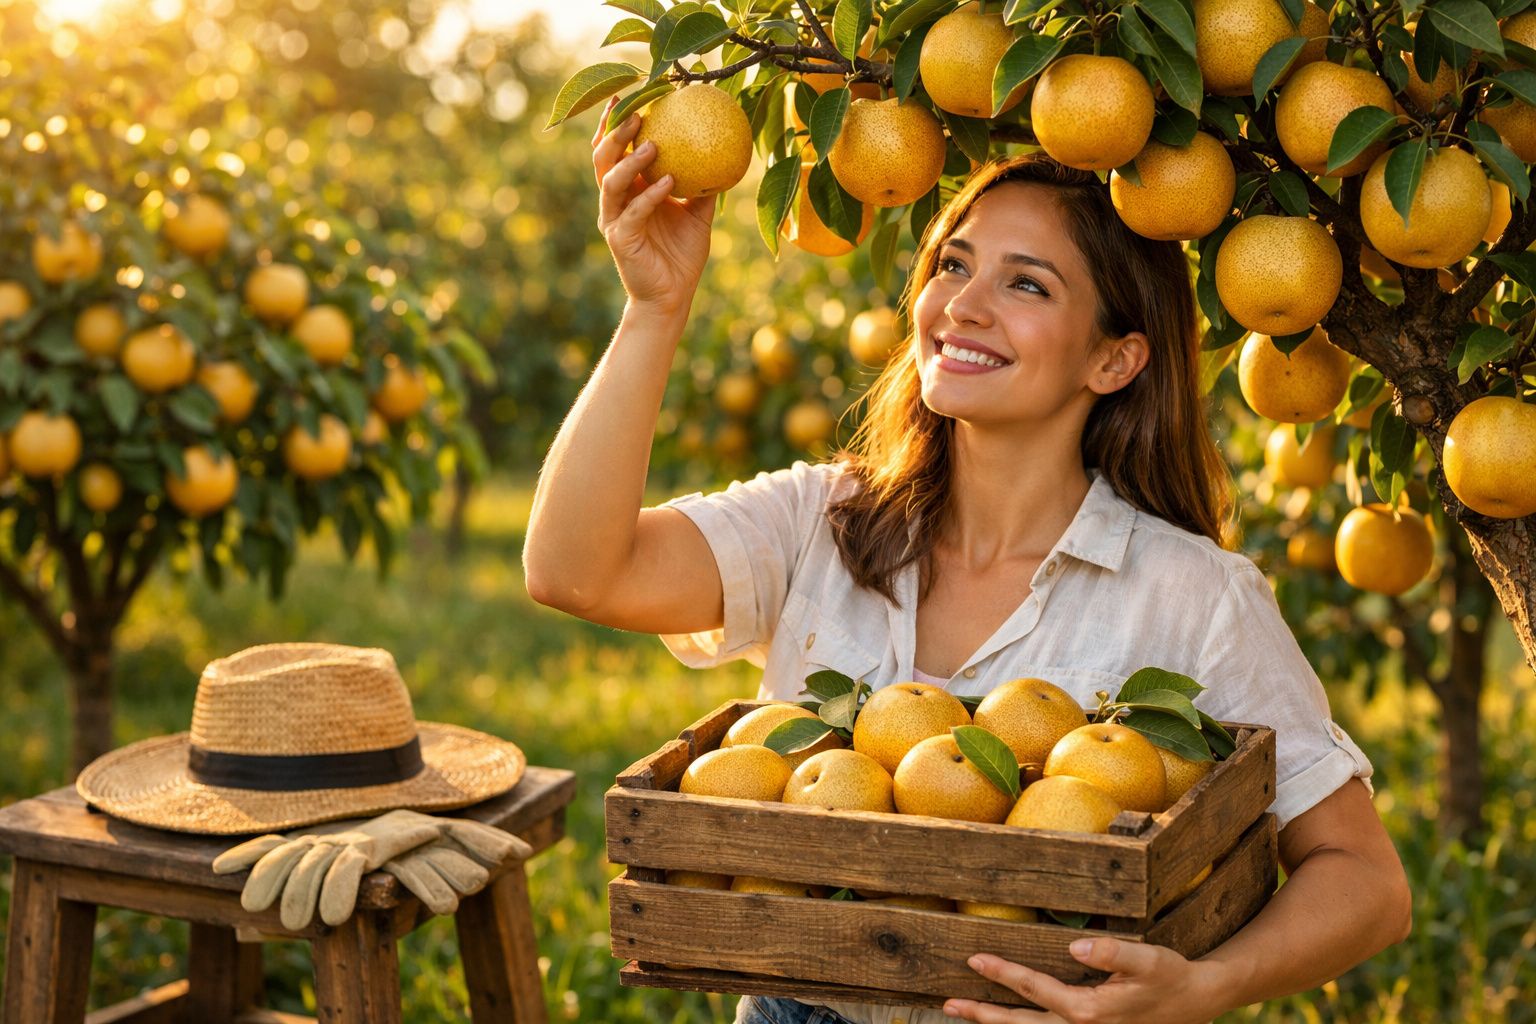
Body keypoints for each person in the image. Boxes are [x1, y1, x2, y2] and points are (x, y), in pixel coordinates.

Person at [522, 97, 1412, 1024]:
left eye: (1027, 284)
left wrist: (1204, 988)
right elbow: (573, 571)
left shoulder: (1190, 596)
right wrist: (655, 306)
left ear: (1113, 360)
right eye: (954, 264)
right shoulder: (819, 521)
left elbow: (1366, 883)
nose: (963, 305)